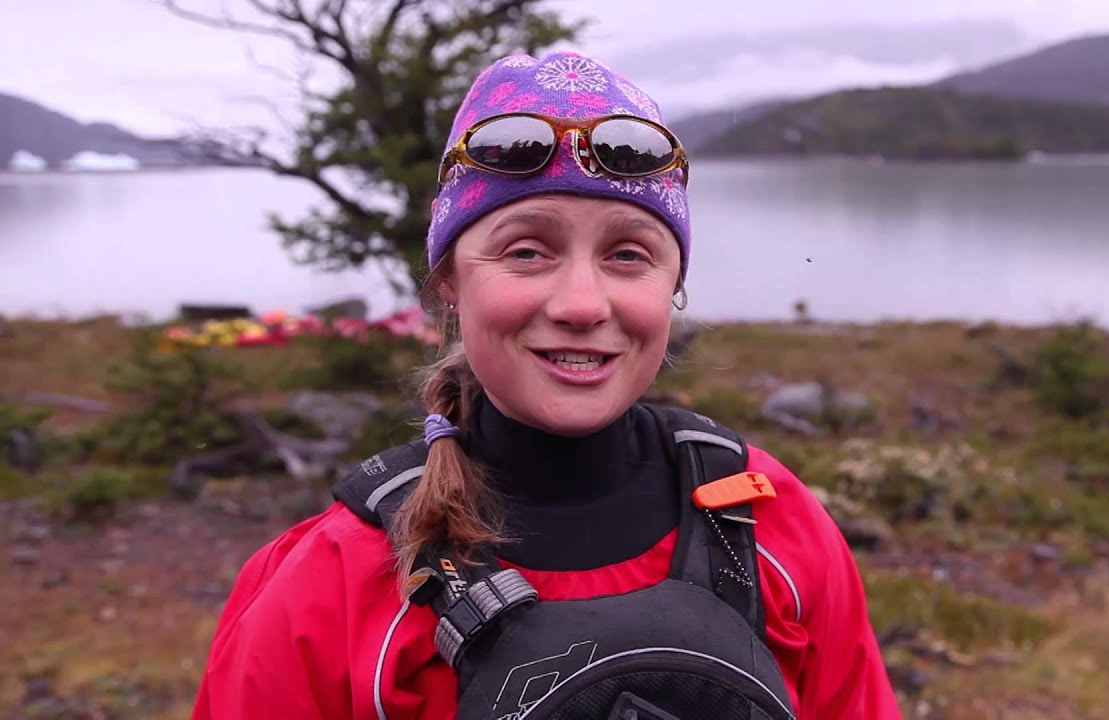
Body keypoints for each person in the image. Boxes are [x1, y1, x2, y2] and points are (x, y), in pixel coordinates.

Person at [192, 50, 900, 720]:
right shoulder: (336, 583)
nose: (583, 304)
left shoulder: (770, 525)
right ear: (449, 285)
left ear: (672, 286)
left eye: (629, 254)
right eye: (527, 250)